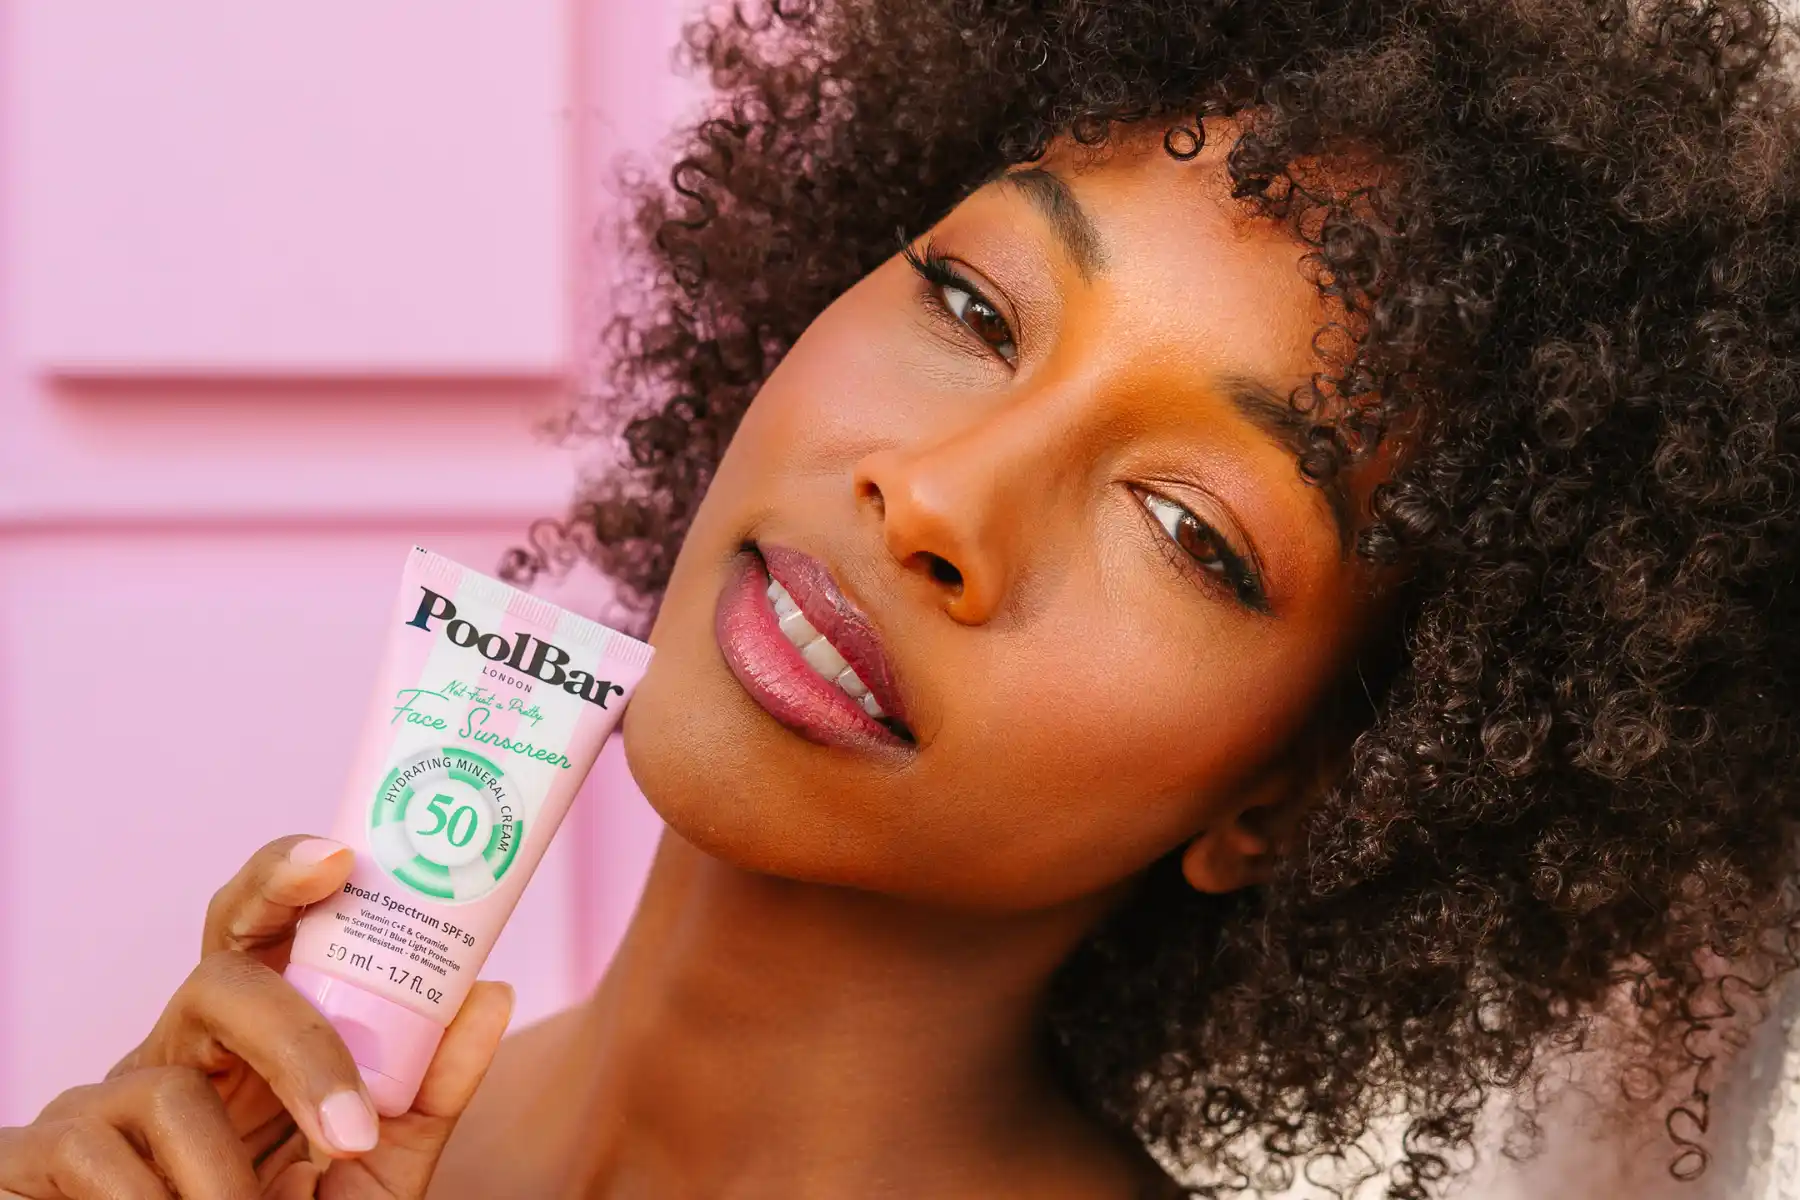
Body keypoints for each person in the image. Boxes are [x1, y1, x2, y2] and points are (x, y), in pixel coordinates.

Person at [7, 0, 1800, 1195]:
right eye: (971, 309)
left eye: (1192, 527)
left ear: (1300, 790)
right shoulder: (236, 1165)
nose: (938, 495)